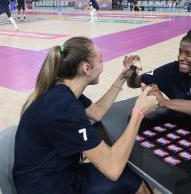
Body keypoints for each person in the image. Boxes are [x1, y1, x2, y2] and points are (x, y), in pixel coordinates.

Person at [13, 36, 158, 194]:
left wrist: (122, 77)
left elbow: (97, 112)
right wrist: (139, 112)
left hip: (56, 173)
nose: (102, 67)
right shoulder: (64, 108)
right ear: (87, 68)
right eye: (101, 61)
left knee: (135, 180)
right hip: (46, 186)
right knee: (131, 180)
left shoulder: (62, 90)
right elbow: (113, 168)